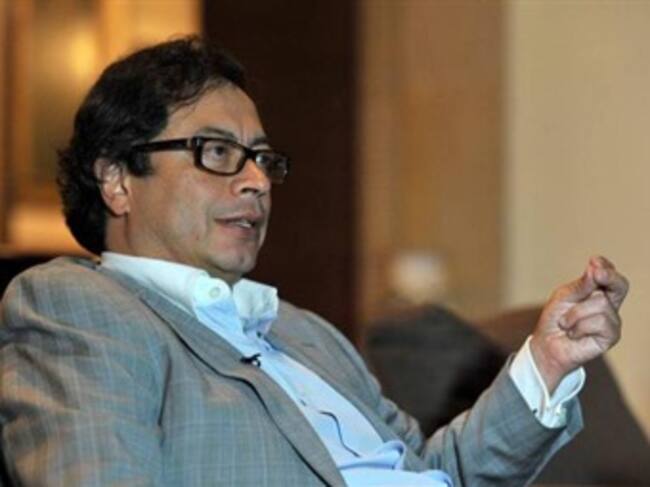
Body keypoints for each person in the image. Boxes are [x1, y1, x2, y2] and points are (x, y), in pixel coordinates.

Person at [0, 37, 628, 486]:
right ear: (117, 180)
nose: (256, 181)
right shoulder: (78, 307)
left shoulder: (306, 333)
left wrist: (547, 363)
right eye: (216, 152)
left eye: (261, 159)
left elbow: (436, 472)